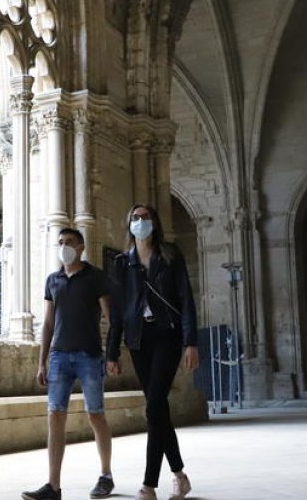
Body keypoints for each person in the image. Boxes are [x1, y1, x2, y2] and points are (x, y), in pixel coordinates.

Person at [106, 204, 199, 500]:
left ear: (155, 223)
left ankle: (148, 485)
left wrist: (191, 342)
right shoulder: (122, 263)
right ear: (128, 224)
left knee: (153, 406)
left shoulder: (170, 255)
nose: (141, 221)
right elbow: (118, 312)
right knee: (158, 409)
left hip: (167, 335)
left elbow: (186, 299)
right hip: (138, 339)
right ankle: (180, 475)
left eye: (146, 217)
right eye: (135, 217)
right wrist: (111, 352)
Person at [23, 228, 116, 500]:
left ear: (81, 247)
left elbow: (110, 318)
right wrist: (42, 362)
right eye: (61, 242)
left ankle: (106, 475)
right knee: (55, 415)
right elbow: (49, 323)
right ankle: (53, 486)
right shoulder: (53, 280)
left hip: (89, 355)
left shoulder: (96, 277)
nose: (64, 246)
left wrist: (111, 355)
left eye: (69, 242)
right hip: (59, 357)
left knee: (95, 414)